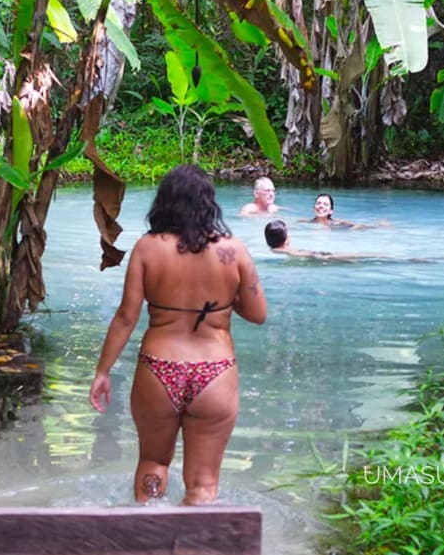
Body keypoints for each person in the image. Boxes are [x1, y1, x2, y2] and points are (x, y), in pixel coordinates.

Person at [90, 164, 267, 505]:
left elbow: (127, 316)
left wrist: (102, 371)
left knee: (153, 463)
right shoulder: (234, 250)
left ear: (164, 202)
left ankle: (147, 530)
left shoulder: (147, 248)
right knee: (203, 485)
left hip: (159, 368)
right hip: (215, 372)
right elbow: (258, 314)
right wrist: (222, 300)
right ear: (209, 203)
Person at [264, 220, 409, 262]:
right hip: (325, 257)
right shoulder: (289, 251)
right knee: (367, 256)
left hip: (321, 256)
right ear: (287, 238)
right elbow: (312, 255)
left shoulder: (273, 250)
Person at [301, 193, 389, 229]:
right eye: (318, 203)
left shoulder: (337, 223)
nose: (321, 206)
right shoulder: (304, 222)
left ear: (331, 211)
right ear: (314, 208)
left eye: (325, 204)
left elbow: (358, 226)